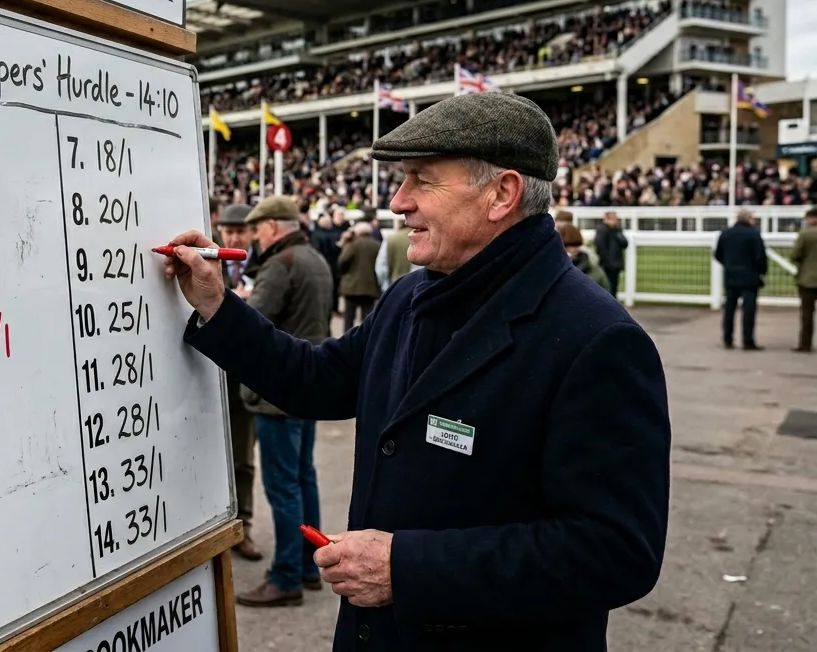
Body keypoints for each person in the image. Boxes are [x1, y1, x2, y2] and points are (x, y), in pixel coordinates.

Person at [161, 92, 669, 649]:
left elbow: (616, 551)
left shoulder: (596, 339)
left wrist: (407, 567)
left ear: (502, 193)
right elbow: (313, 379)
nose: (399, 202)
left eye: (421, 180)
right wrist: (216, 303)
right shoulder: (411, 296)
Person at [232, 196, 332, 608]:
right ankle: (310, 566)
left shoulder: (280, 264)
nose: (255, 237)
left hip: (276, 394)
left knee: (283, 487)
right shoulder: (315, 258)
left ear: (272, 226)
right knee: (304, 478)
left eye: (257, 229)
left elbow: (253, 322)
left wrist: (237, 298)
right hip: (308, 388)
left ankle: (287, 575)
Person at [215, 203, 261, 561]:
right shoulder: (208, 262)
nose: (233, 237)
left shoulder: (266, 265)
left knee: (242, 458)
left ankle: (242, 526)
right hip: (207, 378)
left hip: (244, 380)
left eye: (240, 231)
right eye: (228, 231)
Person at [713, 209, 768, 350]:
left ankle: (727, 338)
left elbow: (718, 254)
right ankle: (748, 340)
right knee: (748, 311)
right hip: (749, 277)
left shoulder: (725, 233)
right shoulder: (753, 234)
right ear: (749, 219)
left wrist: (729, 264)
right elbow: (760, 256)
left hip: (731, 276)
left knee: (729, 310)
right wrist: (761, 271)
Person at [337, 222, 381, 328]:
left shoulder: (353, 244)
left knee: (349, 317)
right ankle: (366, 341)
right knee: (367, 316)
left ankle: (347, 341)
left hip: (351, 286)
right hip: (370, 286)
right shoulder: (377, 245)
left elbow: (342, 261)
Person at [790, 207, 817, 353]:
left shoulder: (805, 234)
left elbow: (795, 255)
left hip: (808, 278)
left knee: (807, 314)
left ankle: (805, 344)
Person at [558, 223, 610, 291]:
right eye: (566, 245)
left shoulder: (595, 271)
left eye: (576, 245)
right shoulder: (551, 271)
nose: (572, 249)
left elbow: (606, 295)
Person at [594, 211, 628, 296]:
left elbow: (624, 243)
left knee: (613, 288)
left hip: (615, 264)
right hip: (606, 264)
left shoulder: (617, 230)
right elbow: (600, 246)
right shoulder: (602, 230)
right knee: (606, 288)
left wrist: (616, 230)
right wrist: (606, 261)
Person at [374, 217, 412, 293]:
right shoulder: (419, 239)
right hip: (415, 287)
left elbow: (381, 267)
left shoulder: (391, 239)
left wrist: (385, 287)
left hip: (394, 285)